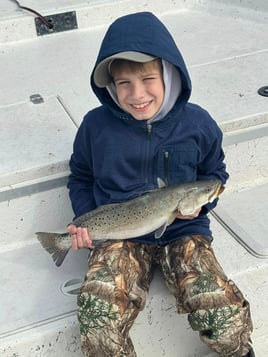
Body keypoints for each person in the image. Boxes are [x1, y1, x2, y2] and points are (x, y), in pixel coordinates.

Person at [67, 11, 254, 357]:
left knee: (224, 315)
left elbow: (216, 176)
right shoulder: (95, 127)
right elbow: (80, 176)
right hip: (119, 236)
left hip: (184, 232)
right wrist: (85, 219)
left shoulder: (199, 124)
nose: (137, 94)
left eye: (148, 79)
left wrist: (203, 204)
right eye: (124, 83)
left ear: (169, 74)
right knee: (97, 317)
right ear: (110, 85)